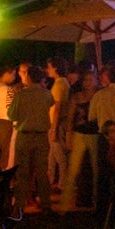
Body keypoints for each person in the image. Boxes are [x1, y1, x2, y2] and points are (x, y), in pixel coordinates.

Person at [9, 64, 54, 214]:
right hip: (41, 137)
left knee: (22, 173)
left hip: (24, 136)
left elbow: (12, 115)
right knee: (42, 172)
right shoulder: (47, 94)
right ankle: (46, 203)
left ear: (27, 77)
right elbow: (50, 105)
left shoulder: (21, 95)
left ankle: (20, 204)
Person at [59, 68, 99, 213]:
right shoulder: (76, 97)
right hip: (79, 134)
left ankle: (96, 203)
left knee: (96, 169)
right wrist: (68, 136)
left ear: (95, 81)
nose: (87, 83)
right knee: (73, 168)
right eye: (85, 80)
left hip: (95, 134)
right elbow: (70, 119)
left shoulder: (98, 96)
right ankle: (64, 206)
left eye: (90, 80)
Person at [46, 56, 71, 191]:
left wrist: (54, 128)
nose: (47, 70)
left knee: (59, 155)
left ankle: (62, 183)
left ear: (55, 68)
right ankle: (50, 180)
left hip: (57, 123)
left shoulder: (59, 84)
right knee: (52, 154)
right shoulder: (63, 83)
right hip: (58, 123)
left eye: (49, 67)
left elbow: (57, 107)